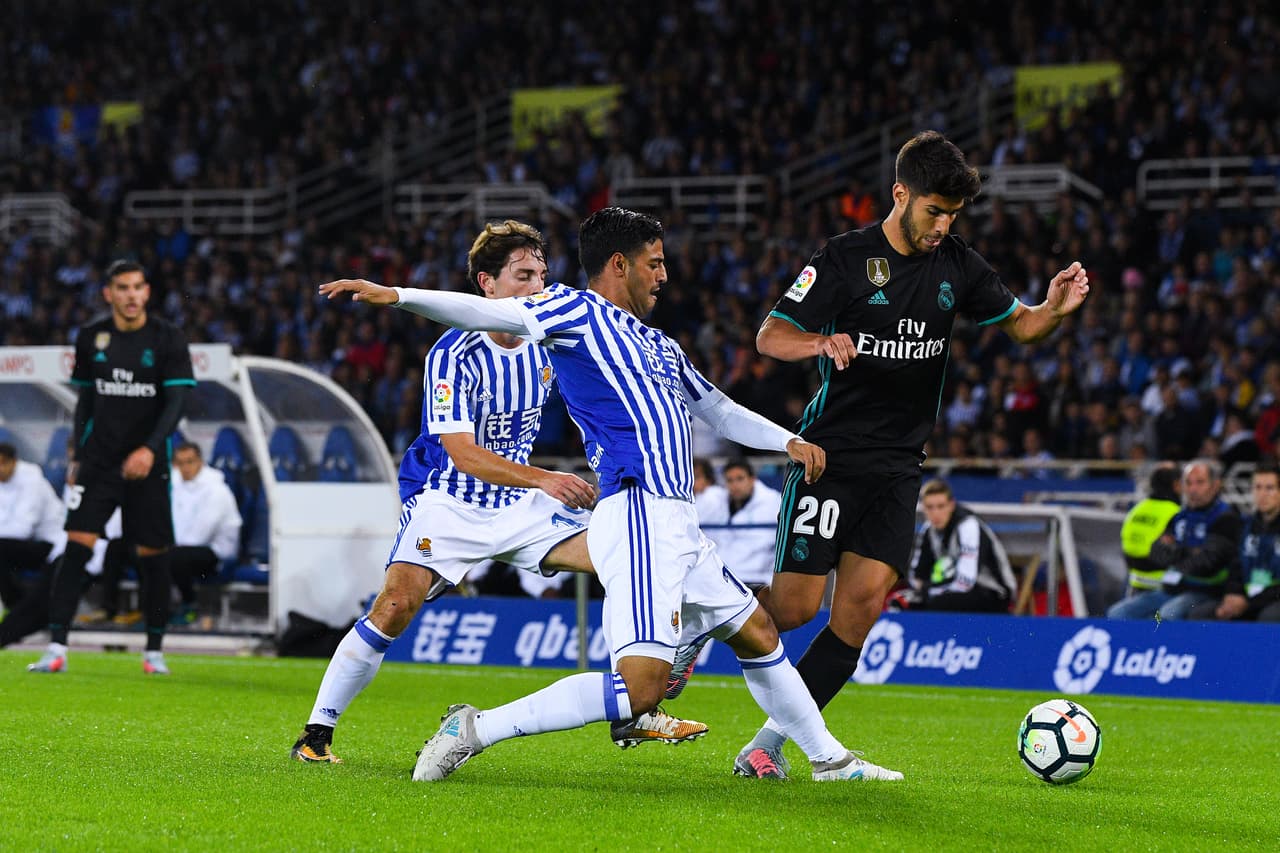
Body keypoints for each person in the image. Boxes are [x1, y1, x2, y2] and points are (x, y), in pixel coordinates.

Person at [321, 207, 902, 783]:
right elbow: (480, 310)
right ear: (619, 264)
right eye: (655, 263)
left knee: (759, 632)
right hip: (638, 513)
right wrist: (396, 294)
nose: (664, 275)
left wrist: (788, 441)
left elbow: (718, 410)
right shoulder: (573, 310)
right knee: (640, 689)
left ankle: (830, 761)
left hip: (679, 520)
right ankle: (474, 729)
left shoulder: (660, 345)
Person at [725, 130, 1090, 776]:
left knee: (859, 612)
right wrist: (821, 344)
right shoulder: (844, 257)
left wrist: (1053, 308)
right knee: (794, 609)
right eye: (933, 211)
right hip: (829, 457)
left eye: (953, 214)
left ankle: (769, 747)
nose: (943, 225)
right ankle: (697, 615)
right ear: (901, 193)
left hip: (898, 467)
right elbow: (771, 334)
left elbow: (1023, 324)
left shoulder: (957, 264)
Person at [293, 220, 706, 765]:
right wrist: (544, 478)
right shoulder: (452, 354)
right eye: (522, 276)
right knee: (394, 606)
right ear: (487, 284)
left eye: (541, 275)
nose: (536, 287)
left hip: (520, 508)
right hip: (448, 500)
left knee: (629, 562)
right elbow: (462, 453)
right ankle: (316, 736)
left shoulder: (548, 344)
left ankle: (634, 708)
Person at [28, 259, 194, 675]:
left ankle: (154, 652)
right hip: (99, 461)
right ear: (109, 293)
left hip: (147, 463)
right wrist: (78, 455)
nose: (132, 295)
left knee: (152, 553)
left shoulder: (168, 338)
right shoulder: (90, 337)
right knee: (77, 544)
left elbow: (176, 403)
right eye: (123, 288)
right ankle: (56, 648)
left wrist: (151, 449)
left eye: (138, 287)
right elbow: (85, 400)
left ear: (147, 292)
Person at [94, 442, 243, 625]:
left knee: (165, 555)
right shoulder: (174, 486)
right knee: (119, 547)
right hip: (175, 546)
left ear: (201, 462)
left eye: (190, 462)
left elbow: (198, 536)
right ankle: (109, 608)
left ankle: (186, 604)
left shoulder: (218, 492)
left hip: (212, 551)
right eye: (180, 463)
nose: (186, 468)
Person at [1106, 459, 1242, 620]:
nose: (1193, 489)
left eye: (1200, 483)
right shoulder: (1179, 517)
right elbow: (1155, 552)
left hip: (1207, 591)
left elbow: (1207, 563)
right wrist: (1190, 552)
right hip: (1171, 589)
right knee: (1118, 613)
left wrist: (1176, 553)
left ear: (1215, 485)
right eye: (1188, 483)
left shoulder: (1225, 518)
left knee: (1166, 616)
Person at [902, 478, 1017, 612]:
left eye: (940, 506)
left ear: (951, 505)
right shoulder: (928, 530)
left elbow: (965, 581)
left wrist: (928, 590)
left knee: (938, 603)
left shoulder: (968, 526)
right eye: (929, 507)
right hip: (950, 590)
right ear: (923, 508)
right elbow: (916, 575)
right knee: (900, 603)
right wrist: (923, 591)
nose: (935, 513)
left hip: (994, 593)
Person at [1193, 461, 1280, 622]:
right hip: (1247, 598)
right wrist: (1233, 594)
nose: (1262, 494)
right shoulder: (1244, 525)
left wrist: (1249, 603)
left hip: (1272, 600)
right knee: (1201, 614)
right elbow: (1235, 565)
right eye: (1257, 487)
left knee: (1269, 617)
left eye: (1269, 488)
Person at [698, 459, 782, 588]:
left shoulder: (773, 503)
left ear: (752, 479)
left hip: (757, 580)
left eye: (740, 479)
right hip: (722, 579)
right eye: (730, 480)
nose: (735, 485)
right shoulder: (717, 501)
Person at [0, 442, 63, 612]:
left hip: (50, 545)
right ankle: (17, 607)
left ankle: (17, 608)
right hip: (16, 545)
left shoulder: (32, 481)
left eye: (2, 463)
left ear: (14, 462)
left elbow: (23, 530)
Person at [1115, 464, 1182, 602]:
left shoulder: (1136, 510)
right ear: (1176, 485)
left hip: (1135, 583)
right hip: (1163, 587)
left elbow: (1125, 543)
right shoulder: (1176, 512)